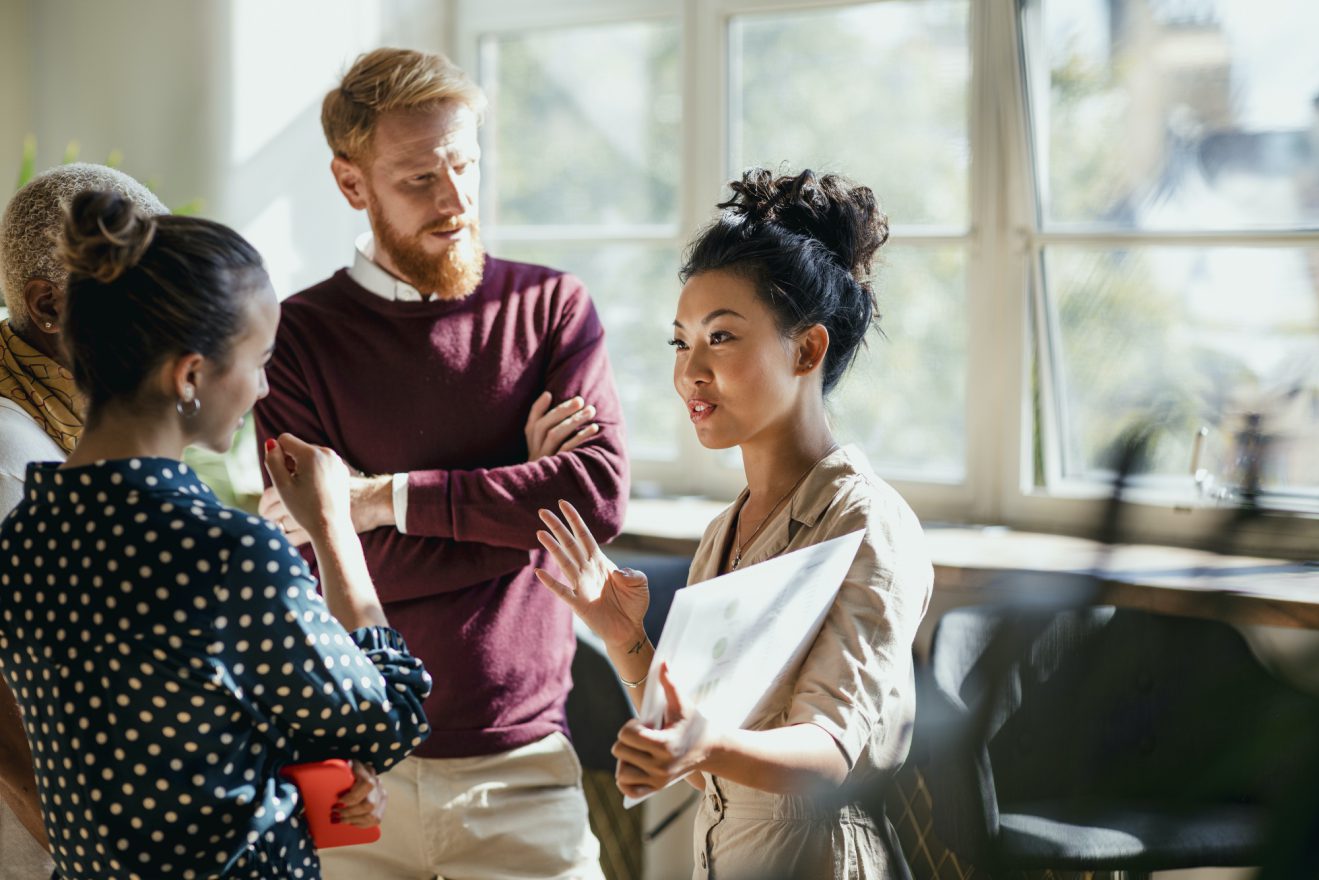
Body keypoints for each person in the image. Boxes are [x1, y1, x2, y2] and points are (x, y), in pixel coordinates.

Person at [253, 48, 627, 880]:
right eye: (420, 178)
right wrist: (519, 513)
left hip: (524, 769)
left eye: (465, 164)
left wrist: (378, 500)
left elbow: (593, 500)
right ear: (353, 184)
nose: (456, 199)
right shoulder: (294, 340)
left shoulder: (551, 309)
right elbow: (317, 562)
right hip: (352, 775)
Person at [0, 190, 433, 879]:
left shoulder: (23, 539)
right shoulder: (226, 554)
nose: (264, 388)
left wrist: (297, 779)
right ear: (192, 375)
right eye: (259, 360)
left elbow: (160, 740)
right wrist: (331, 529)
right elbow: (388, 718)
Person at [536, 169, 933, 879]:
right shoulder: (727, 530)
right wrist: (625, 636)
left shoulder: (865, 522)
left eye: (720, 338)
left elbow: (828, 753)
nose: (690, 371)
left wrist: (705, 746)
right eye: (680, 343)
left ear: (807, 350)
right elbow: (696, 757)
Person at [0, 163, 167, 880]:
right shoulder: (16, 462)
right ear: (49, 307)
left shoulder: (79, 422)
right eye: (147, 296)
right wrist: (94, 851)